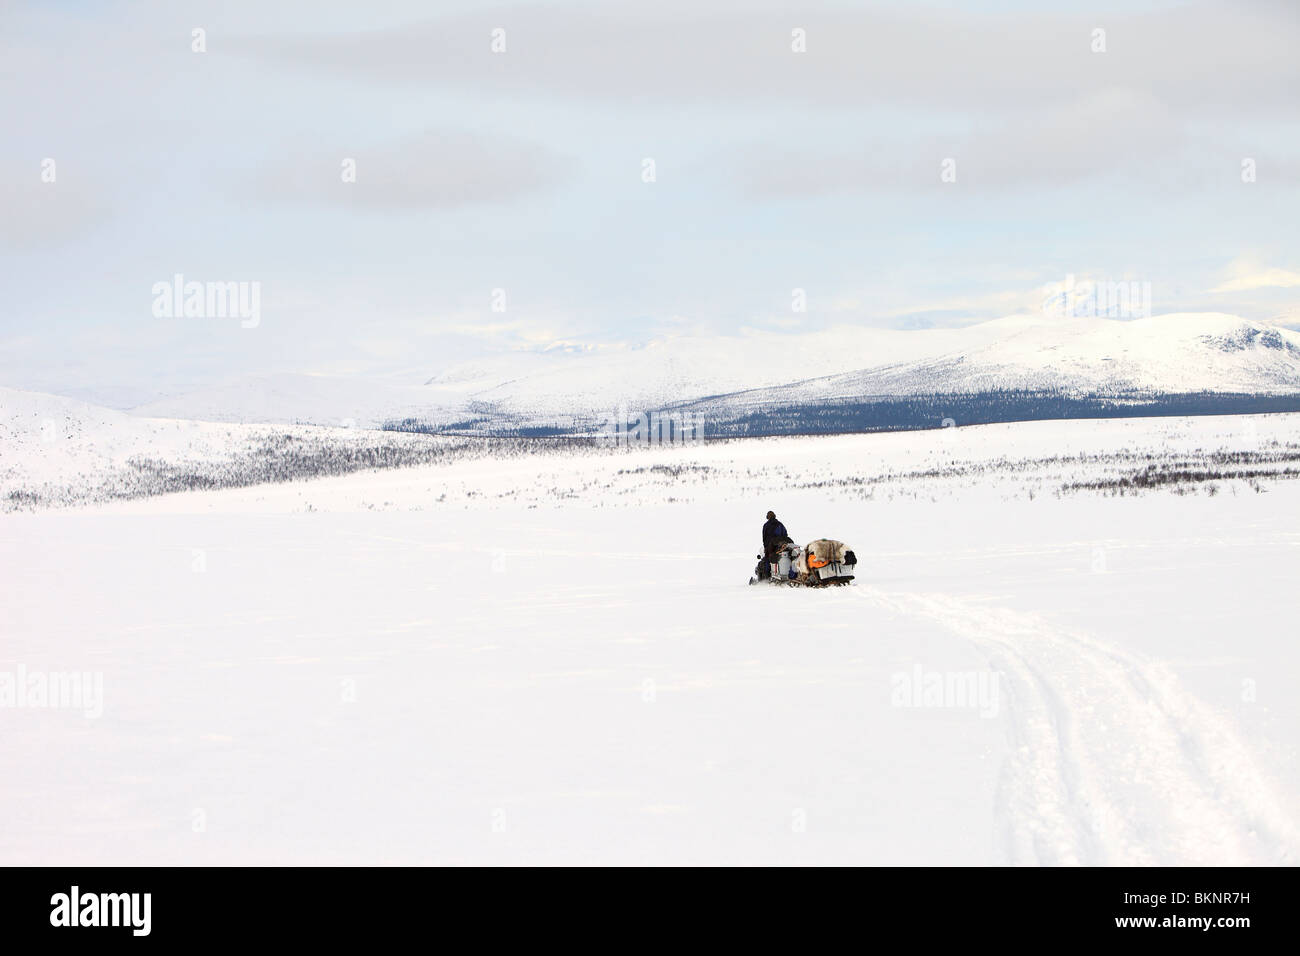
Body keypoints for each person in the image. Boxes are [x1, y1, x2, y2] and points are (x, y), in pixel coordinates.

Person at [762, 511, 788, 578]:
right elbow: (785, 534)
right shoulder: (780, 524)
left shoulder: (766, 525)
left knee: (767, 559)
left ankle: (767, 575)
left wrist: (766, 547)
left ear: (768, 517)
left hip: (770, 546)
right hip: (781, 545)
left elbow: (764, 537)